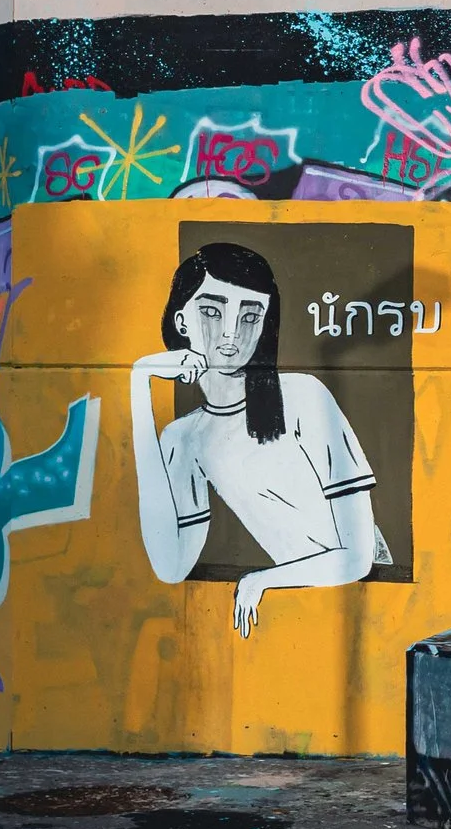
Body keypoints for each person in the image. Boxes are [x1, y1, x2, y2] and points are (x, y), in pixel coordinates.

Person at [131, 241, 386, 637]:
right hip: (294, 617)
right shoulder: (183, 438)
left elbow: (359, 559)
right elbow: (170, 565)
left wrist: (261, 580)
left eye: (250, 316)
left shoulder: (304, 397)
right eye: (212, 311)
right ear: (182, 322)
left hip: (365, 609)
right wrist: (139, 384)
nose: (231, 333)